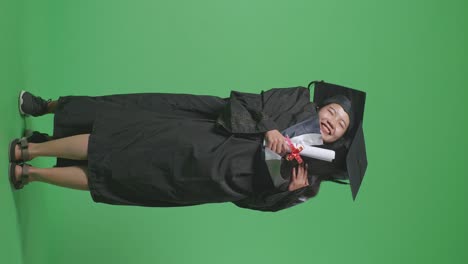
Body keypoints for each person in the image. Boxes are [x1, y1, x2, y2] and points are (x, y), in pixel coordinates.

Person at [8, 85, 354, 212]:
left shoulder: (308, 181)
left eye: (340, 126)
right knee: (124, 114)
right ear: (324, 105)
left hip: (203, 179)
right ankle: (46, 106)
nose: (333, 122)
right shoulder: (295, 101)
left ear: (337, 141)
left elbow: (249, 201)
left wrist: (287, 194)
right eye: (333, 113)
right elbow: (242, 102)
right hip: (203, 124)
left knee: (120, 175)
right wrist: (270, 130)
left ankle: (36, 157)